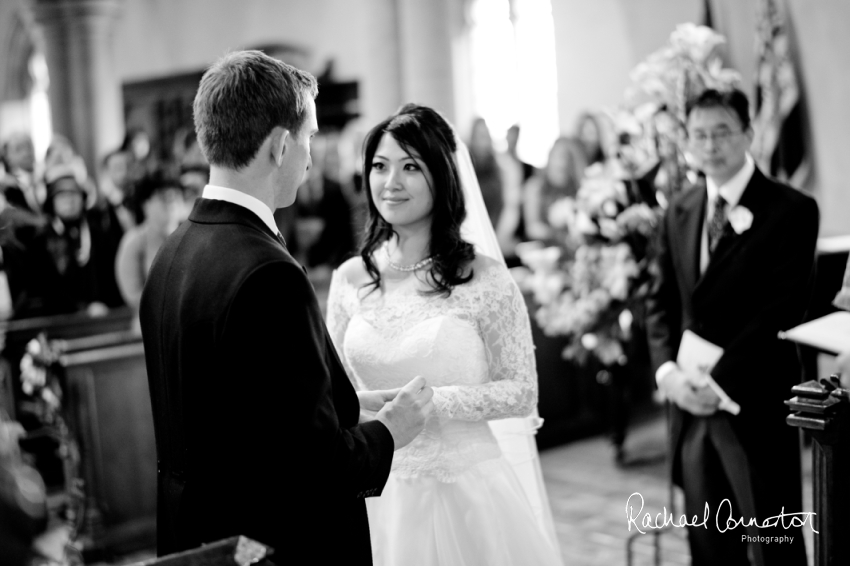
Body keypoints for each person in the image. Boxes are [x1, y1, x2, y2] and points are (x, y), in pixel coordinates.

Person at [138, 50, 432, 564]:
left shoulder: (173, 252)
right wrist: (391, 431)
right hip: (271, 544)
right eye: (310, 138)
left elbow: (243, 414)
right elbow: (311, 465)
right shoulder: (268, 274)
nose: (312, 157)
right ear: (279, 146)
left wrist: (348, 405)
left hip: (195, 535)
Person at [326, 104, 563, 566]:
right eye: (379, 166)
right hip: (376, 491)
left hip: (465, 490)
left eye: (410, 166)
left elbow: (522, 391)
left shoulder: (484, 278)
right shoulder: (349, 279)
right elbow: (335, 391)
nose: (390, 182)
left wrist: (436, 402)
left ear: (442, 174)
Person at [645, 88, 818, 566]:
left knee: (774, 544)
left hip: (754, 398)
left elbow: (782, 310)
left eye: (722, 131)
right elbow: (658, 302)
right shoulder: (679, 210)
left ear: (748, 133)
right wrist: (669, 377)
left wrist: (717, 381)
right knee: (710, 546)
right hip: (689, 404)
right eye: (699, 134)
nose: (710, 144)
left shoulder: (791, 210)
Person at [115, 172, 184, 323]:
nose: (170, 203)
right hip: (149, 324)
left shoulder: (190, 236)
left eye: (175, 196)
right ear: (146, 204)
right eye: (163, 197)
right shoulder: (134, 242)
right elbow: (133, 294)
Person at [523, 136, 587, 241]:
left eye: (567, 158)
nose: (561, 163)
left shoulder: (578, 188)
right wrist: (559, 234)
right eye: (557, 157)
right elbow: (532, 228)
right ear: (550, 158)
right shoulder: (535, 187)